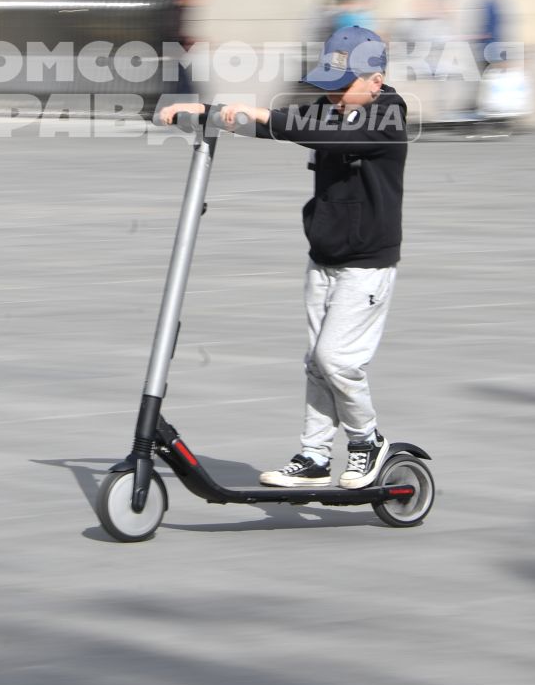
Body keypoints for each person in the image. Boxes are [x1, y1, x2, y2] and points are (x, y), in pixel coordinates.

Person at [157, 25, 409, 491]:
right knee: (316, 361)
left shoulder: (389, 115)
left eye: (343, 87)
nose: (332, 98)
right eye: (328, 89)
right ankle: (314, 455)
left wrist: (260, 114)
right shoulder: (334, 111)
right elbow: (287, 125)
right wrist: (207, 112)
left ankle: (367, 441)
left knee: (337, 360)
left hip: (367, 264)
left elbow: (314, 133)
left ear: (376, 80)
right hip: (325, 257)